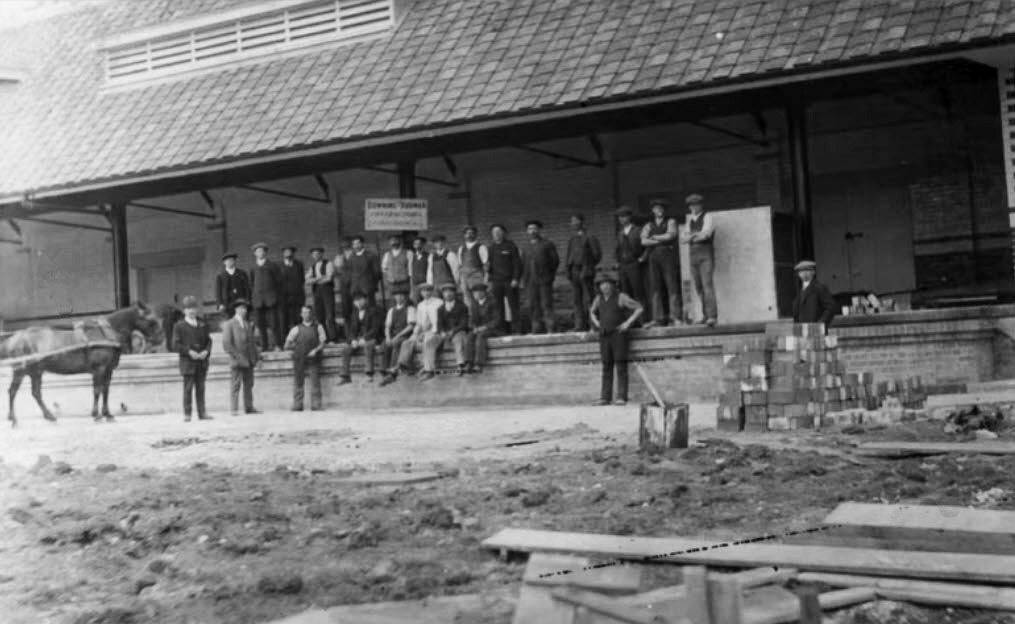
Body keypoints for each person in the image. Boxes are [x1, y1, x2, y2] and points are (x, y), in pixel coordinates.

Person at [589, 273, 643, 406]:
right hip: (604, 335)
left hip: (619, 335)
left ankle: (621, 397)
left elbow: (639, 308)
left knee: (620, 365)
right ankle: (605, 397)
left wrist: (627, 323)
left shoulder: (621, 297)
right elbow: (591, 311)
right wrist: (597, 323)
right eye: (602, 284)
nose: (605, 286)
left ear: (613, 285)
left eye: (608, 283)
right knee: (606, 365)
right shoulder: (598, 299)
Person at [641, 199, 683, 327]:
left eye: (661, 208)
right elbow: (643, 241)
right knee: (655, 287)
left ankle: (675, 317)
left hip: (668, 256)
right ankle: (658, 318)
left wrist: (654, 238)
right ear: (653, 211)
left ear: (664, 210)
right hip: (653, 257)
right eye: (656, 208)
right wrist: (659, 240)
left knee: (672, 285)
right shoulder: (648, 225)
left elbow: (670, 235)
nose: (659, 210)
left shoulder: (671, 221)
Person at [172, 296, 213, 421]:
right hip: (188, 363)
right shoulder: (179, 326)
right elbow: (175, 344)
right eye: (188, 308)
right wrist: (189, 352)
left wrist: (206, 351)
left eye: (194, 308)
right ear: (184, 311)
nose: (192, 311)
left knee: (201, 388)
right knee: (188, 389)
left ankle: (202, 413)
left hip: (201, 362)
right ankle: (187, 414)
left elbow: (209, 340)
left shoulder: (202, 324)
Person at [680, 194, 717, 327]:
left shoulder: (708, 217)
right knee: (699, 287)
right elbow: (683, 239)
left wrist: (692, 236)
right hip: (693, 255)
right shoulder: (690, 220)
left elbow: (706, 234)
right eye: (691, 205)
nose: (693, 207)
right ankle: (705, 315)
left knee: (707, 285)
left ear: (701, 205)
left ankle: (712, 316)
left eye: (696, 204)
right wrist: (695, 235)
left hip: (705, 254)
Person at [220, 298, 260, 415]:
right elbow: (227, 343)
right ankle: (234, 409)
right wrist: (237, 356)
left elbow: (252, 343)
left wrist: (256, 358)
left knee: (249, 384)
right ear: (236, 309)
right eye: (241, 308)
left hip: (249, 359)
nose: (244, 311)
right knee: (235, 384)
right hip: (237, 359)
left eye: (245, 308)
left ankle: (249, 407)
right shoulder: (230, 324)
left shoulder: (247, 324)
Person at [283, 305, 327, 411]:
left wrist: (315, 351)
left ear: (311, 313)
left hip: (313, 357)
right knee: (298, 381)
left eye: (308, 312)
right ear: (301, 314)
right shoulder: (296, 329)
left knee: (315, 381)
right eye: (304, 312)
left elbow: (322, 343)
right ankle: (298, 404)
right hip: (299, 357)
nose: (306, 314)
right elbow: (286, 345)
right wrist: (298, 347)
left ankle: (316, 404)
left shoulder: (319, 327)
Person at [520, 220, 559, 334]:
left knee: (546, 304)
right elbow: (522, 263)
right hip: (530, 281)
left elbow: (555, 261)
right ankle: (536, 328)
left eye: (534, 229)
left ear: (539, 230)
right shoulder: (525, 247)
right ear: (527, 231)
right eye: (530, 229)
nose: (532, 231)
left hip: (544, 280)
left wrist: (549, 276)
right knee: (532, 305)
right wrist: (524, 279)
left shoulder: (547, 244)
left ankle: (550, 328)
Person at [396, 282, 442, 379]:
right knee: (407, 342)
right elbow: (419, 323)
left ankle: (428, 370)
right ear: (421, 293)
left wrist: (428, 332)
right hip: (424, 332)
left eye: (428, 290)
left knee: (427, 342)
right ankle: (403, 366)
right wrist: (416, 333)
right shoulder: (420, 305)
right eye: (424, 291)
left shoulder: (439, 303)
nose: (426, 293)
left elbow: (440, 321)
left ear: (432, 291)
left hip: (436, 331)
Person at [424, 283, 470, 378]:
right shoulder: (440, 309)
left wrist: (453, 331)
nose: (448, 294)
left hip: (458, 331)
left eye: (450, 291)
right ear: (443, 294)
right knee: (429, 343)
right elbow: (439, 324)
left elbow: (464, 323)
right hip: (444, 333)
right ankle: (429, 370)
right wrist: (442, 332)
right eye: (445, 292)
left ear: (454, 293)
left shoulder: (462, 306)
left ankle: (460, 365)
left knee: (458, 339)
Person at [565, 214, 602, 331]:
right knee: (577, 300)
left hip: (586, 271)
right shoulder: (572, 238)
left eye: (576, 221)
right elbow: (568, 256)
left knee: (589, 299)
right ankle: (579, 324)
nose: (573, 223)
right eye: (572, 221)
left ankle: (593, 324)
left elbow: (597, 255)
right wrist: (568, 270)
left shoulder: (590, 236)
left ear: (582, 222)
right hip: (574, 271)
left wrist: (588, 267)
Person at [338, 291, 382, 384]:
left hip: (372, 338)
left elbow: (375, 329)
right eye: (355, 301)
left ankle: (369, 374)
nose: (358, 303)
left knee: (368, 345)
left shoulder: (374, 311)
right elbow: (352, 331)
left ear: (365, 300)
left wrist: (364, 339)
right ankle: (345, 375)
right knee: (346, 348)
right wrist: (353, 340)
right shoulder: (354, 314)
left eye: (360, 300)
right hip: (358, 339)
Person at [378, 285, 417, 386]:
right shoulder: (391, 310)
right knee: (385, 345)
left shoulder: (410, 309)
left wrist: (398, 335)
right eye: (397, 296)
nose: (399, 297)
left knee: (396, 343)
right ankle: (384, 370)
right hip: (393, 335)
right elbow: (387, 326)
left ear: (405, 297)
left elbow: (411, 326)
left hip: (405, 334)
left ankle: (392, 371)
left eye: (401, 295)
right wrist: (387, 337)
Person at [488, 224, 523, 334]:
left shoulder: (511, 246)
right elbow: (489, 267)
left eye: (499, 231)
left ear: (503, 233)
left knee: (514, 306)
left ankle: (517, 330)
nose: (496, 234)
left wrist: (516, 279)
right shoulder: (490, 248)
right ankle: (502, 330)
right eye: (494, 232)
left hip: (509, 281)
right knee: (498, 307)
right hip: (496, 282)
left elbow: (517, 264)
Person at [249, 242, 284, 349]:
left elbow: (279, 282)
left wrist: (275, 297)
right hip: (258, 301)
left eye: (262, 251)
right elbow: (251, 284)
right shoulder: (253, 268)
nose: (260, 253)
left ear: (265, 252)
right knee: (261, 325)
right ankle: (264, 347)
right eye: (258, 251)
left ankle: (278, 344)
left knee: (274, 324)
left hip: (271, 300)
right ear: (255, 253)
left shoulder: (273, 265)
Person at [615, 206, 647, 318]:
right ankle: (630, 319)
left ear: (629, 217)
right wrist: (618, 262)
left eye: (624, 216)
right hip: (623, 266)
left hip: (634, 263)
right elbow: (618, 249)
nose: (621, 219)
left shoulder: (638, 230)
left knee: (638, 291)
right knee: (625, 293)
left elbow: (647, 247)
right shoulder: (619, 233)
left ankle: (643, 319)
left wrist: (642, 258)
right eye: (620, 217)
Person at [466, 282, 500, 373]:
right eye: (474, 293)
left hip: (493, 329)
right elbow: (472, 320)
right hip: (479, 329)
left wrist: (485, 327)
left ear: (483, 293)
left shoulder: (492, 302)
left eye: (478, 292)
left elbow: (496, 320)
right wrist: (473, 327)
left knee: (480, 337)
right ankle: (469, 362)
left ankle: (478, 364)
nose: (476, 295)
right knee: (469, 336)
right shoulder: (474, 304)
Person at [307, 246, 338, 343]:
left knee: (329, 315)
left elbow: (329, 278)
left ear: (321, 254)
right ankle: (325, 338)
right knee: (320, 316)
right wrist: (319, 278)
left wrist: (314, 279)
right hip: (317, 292)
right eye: (314, 254)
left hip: (327, 291)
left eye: (318, 254)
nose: (316, 256)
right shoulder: (312, 267)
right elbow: (307, 281)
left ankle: (333, 338)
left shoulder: (328, 263)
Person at [792, 260, 836, 326]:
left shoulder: (820, 288)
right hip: (803, 329)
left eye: (807, 270)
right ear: (798, 274)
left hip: (816, 329)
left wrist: (821, 323)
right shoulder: (800, 290)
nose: (804, 273)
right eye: (801, 271)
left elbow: (830, 308)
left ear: (813, 272)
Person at [457, 225, 489, 313]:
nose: (469, 235)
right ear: (464, 235)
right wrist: (460, 279)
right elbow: (460, 265)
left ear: (476, 235)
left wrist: (486, 279)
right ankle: (471, 320)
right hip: (464, 277)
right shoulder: (461, 248)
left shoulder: (481, 247)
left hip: (476, 276)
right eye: (467, 233)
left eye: (471, 233)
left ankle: (480, 319)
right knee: (467, 300)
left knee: (478, 298)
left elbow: (486, 264)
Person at [346, 235, 380, 310]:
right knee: (358, 309)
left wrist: (371, 283)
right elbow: (349, 272)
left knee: (370, 308)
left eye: (358, 243)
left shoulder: (370, 255)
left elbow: (377, 273)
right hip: (355, 288)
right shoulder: (351, 257)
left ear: (362, 244)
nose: (356, 246)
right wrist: (351, 284)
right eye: (354, 244)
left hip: (368, 287)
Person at [279, 245, 305, 332]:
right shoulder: (278, 266)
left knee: (297, 317)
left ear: (293, 254)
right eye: (286, 252)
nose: (288, 254)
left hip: (297, 296)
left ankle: (299, 337)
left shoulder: (299, 264)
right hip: (283, 297)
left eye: (290, 252)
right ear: (283, 254)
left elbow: (302, 279)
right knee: (284, 319)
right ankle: (285, 339)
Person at [381, 234, 412, 302]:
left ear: (400, 241)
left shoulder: (408, 253)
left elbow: (410, 270)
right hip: (392, 284)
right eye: (391, 241)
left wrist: (409, 280)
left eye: (396, 240)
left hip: (404, 283)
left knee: (405, 301)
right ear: (389, 243)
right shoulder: (387, 254)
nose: (394, 243)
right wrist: (390, 276)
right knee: (393, 301)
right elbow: (384, 268)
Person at [333, 239, 353, 327]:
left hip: (354, 282)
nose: (345, 245)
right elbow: (336, 271)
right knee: (345, 305)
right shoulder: (339, 257)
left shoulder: (354, 254)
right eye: (343, 244)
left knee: (356, 303)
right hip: (343, 283)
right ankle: (348, 328)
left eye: (347, 243)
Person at [409, 236, 430, 303]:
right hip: (415, 285)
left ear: (423, 245)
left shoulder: (429, 256)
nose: (417, 245)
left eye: (419, 243)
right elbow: (410, 272)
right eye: (415, 244)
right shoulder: (412, 257)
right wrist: (411, 287)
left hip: (425, 284)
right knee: (415, 302)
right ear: (413, 246)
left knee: (427, 302)